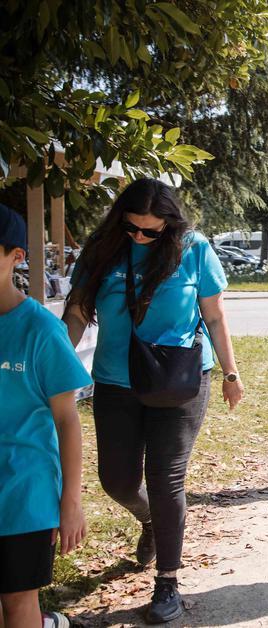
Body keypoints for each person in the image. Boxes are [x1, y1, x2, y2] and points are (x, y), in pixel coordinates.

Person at [62, 179, 245, 623]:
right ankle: (149, 520)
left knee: (167, 479)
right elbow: (78, 312)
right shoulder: (102, 248)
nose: (140, 237)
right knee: (117, 482)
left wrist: (231, 372)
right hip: (116, 381)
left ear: (170, 224)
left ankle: (167, 582)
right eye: (132, 228)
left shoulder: (194, 248)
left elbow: (214, 315)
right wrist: (59, 369)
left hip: (178, 380)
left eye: (151, 231)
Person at [0, 204, 90, 628]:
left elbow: (67, 421)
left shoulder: (40, 330)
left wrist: (70, 502)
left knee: (18, 602)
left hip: (25, 493)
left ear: (16, 256)